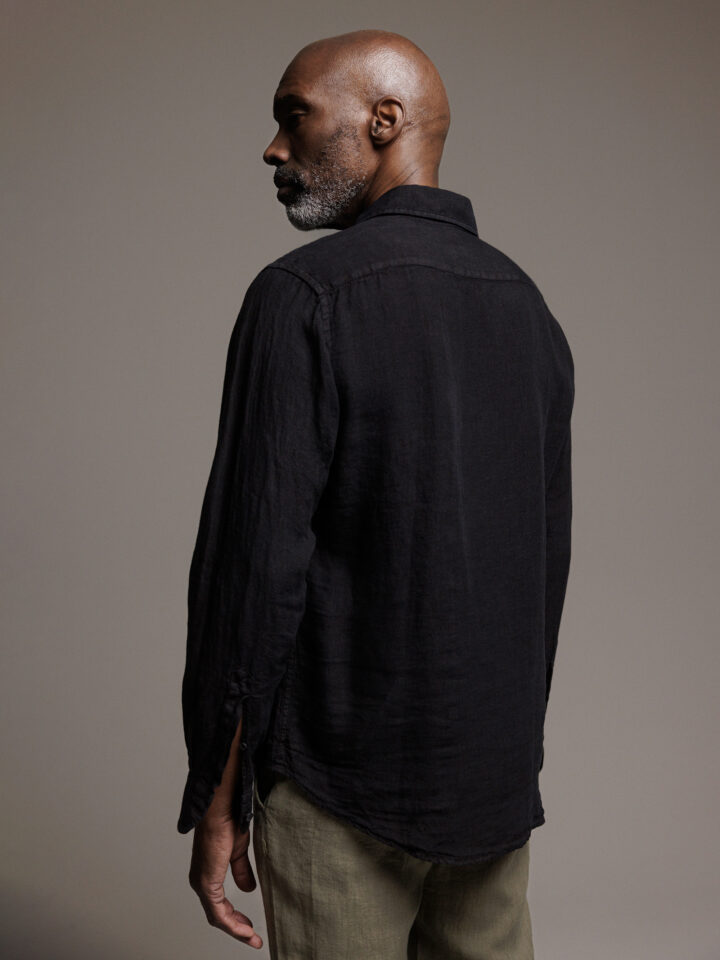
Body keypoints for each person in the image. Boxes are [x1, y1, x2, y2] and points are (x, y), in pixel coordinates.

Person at [178, 28, 574, 960]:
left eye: (295, 117)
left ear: (384, 120)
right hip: (490, 783)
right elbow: (544, 565)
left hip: (338, 780)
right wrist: (511, 759)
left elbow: (254, 566)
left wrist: (217, 794)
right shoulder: (528, 306)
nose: (274, 148)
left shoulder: (302, 295)